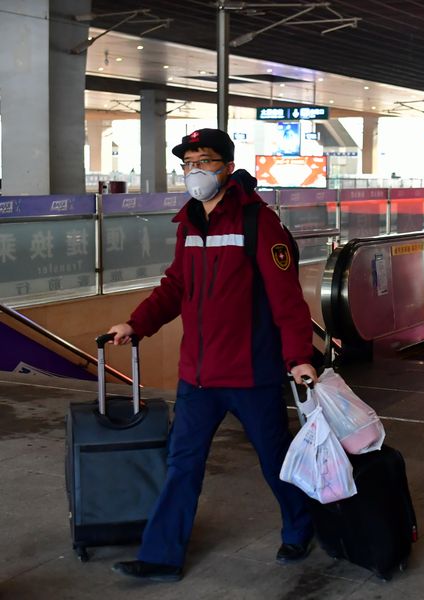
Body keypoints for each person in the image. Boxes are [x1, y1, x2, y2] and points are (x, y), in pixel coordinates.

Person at [107, 129, 318, 582]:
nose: (194, 171)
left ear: (227, 167)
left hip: (250, 373)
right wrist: (136, 323)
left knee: (275, 460)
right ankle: (161, 556)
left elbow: (286, 300)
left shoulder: (259, 222)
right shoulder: (188, 223)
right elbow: (175, 286)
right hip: (198, 376)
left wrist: (299, 357)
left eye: (204, 161)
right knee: (181, 464)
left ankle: (300, 527)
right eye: (188, 163)